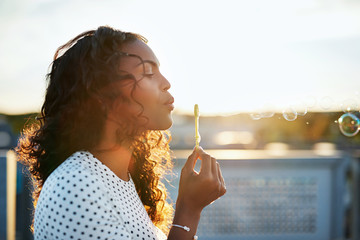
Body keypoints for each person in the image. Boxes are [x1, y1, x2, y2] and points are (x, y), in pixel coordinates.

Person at [16, 25, 226, 240]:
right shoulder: (78, 186)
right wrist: (188, 210)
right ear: (100, 93)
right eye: (148, 72)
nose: (166, 84)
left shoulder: (115, 176)